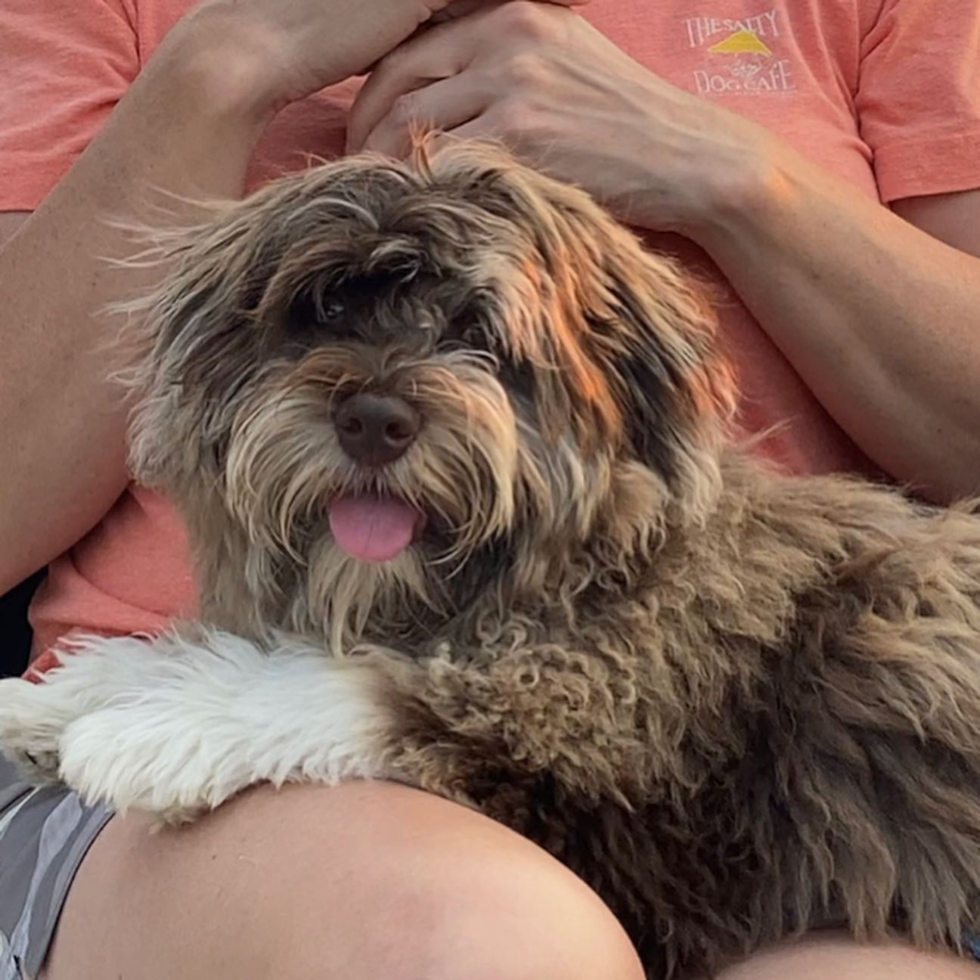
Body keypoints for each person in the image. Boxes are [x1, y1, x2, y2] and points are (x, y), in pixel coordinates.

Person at [1, 0, 979, 976]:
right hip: (165, 727)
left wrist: (734, 178)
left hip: (747, 760)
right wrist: (229, 61)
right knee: (464, 938)